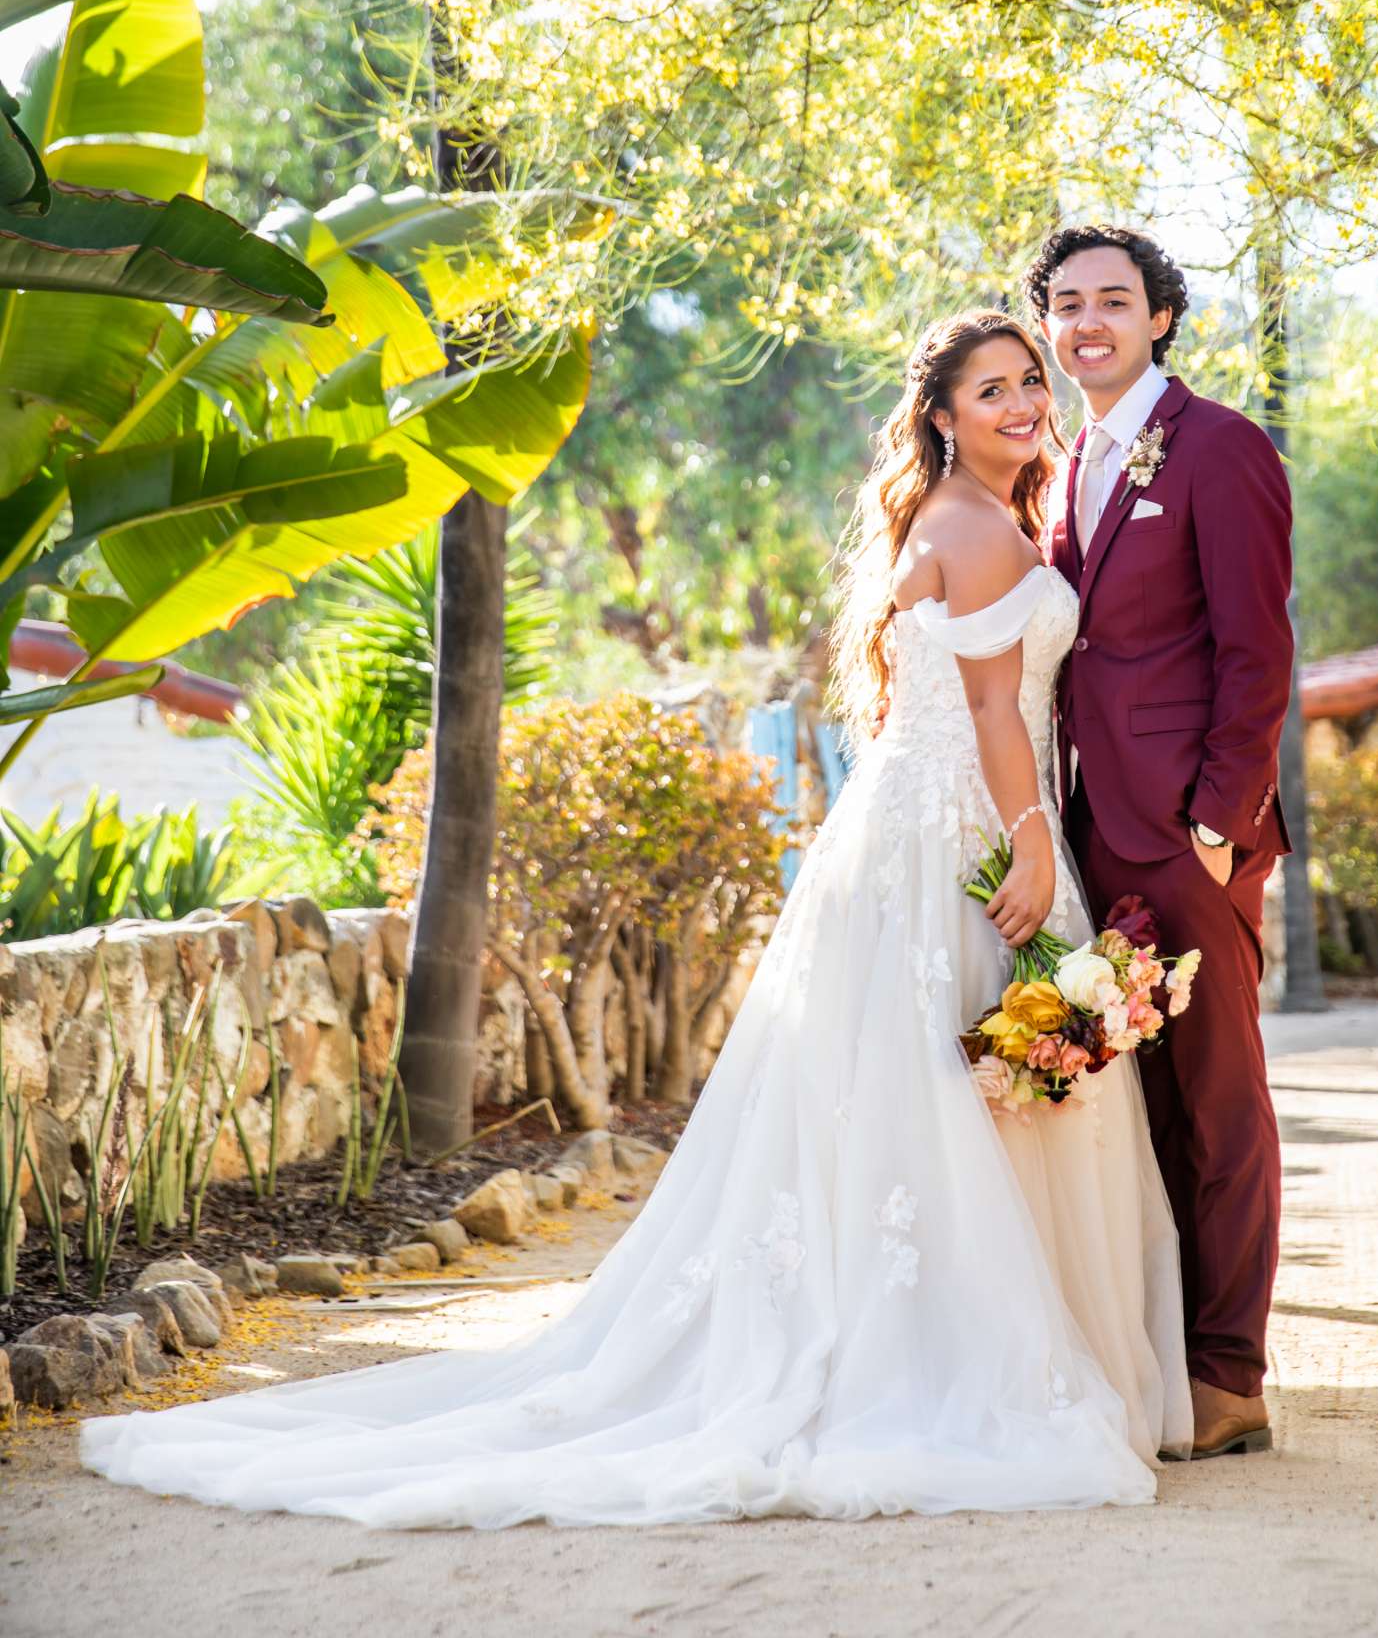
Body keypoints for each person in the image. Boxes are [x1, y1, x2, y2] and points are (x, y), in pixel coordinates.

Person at [80, 308, 1189, 1528]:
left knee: (945, 1090)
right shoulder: (974, 525)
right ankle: (957, 1367)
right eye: (993, 389)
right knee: (960, 1091)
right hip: (970, 831)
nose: (1024, 402)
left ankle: (955, 1338)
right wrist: (1032, 843)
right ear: (940, 416)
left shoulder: (986, 516)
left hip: (933, 829)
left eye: (1030, 381)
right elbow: (988, 712)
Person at [1031, 225, 1293, 1460]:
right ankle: (1160, 1353)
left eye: (1114, 301)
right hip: (1090, 825)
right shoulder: (1067, 453)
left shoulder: (1219, 446)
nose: (1089, 322)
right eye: (1067, 303)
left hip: (1188, 833)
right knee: (1136, 1104)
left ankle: (1228, 1377)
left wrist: (1217, 824)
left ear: (1160, 318)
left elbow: (1258, 651)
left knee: (1220, 1097)